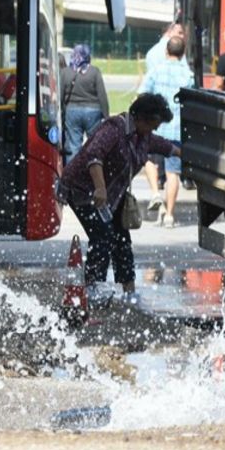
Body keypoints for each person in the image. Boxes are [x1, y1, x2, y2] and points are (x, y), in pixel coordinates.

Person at [55, 93, 181, 307]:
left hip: (110, 196)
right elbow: (93, 156)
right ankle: (94, 289)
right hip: (85, 191)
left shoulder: (144, 136)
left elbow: (166, 146)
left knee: (122, 239)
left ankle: (129, 290)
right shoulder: (114, 128)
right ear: (140, 117)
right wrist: (100, 188)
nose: (154, 129)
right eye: (152, 124)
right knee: (103, 236)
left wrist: (184, 154)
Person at [138, 37, 194, 228]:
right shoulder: (188, 75)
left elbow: (142, 93)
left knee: (150, 161)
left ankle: (155, 194)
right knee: (173, 173)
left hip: (156, 128)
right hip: (177, 130)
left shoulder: (156, 71)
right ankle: (170, 215)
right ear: (183, 53)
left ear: (166, 51)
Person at [60, 44, 109, 162]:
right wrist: (106, 116)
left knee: (73, 145)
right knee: (94, 144)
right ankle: (94, 171)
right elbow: (102, 95)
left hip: (72, 111)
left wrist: (62, 113)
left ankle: (72, 175)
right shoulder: (94, 71)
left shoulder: (65, 72)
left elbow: (61, 95)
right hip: (93, 112)